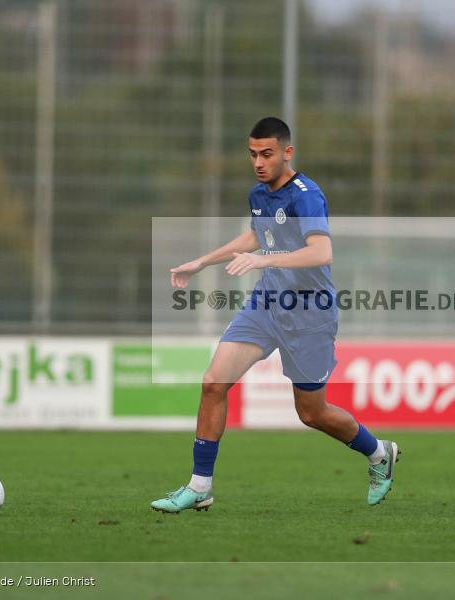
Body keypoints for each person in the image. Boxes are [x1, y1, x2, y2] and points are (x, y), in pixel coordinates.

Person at [151, 117, 399, 513]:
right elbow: (256, 236)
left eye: (266, 154)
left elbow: (321, 252)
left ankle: (379, 453)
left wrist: (265, 259)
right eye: (252, 154)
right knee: (214, 382)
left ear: (287, 153)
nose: (258, 163)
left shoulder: (307, 196)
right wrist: (202, 261)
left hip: (310, 314)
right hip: (267, 305)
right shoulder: (259, 193)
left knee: (312, 413)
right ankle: (200, 487)